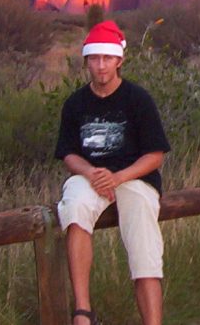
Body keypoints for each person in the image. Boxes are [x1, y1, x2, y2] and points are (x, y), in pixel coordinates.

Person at [54, 20, 170, 325]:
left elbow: (155, 155)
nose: (101, 66)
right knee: (75, 204)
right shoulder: (75, 104)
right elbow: (68, 153)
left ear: (120, 60)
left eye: (107, 58)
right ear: (87, 61)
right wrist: (92, 173)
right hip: (91, 177)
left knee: (144, 241)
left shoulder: (138, 99)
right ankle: (82, 311)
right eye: (94, 59)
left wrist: (118, 177)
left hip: (134, 178)